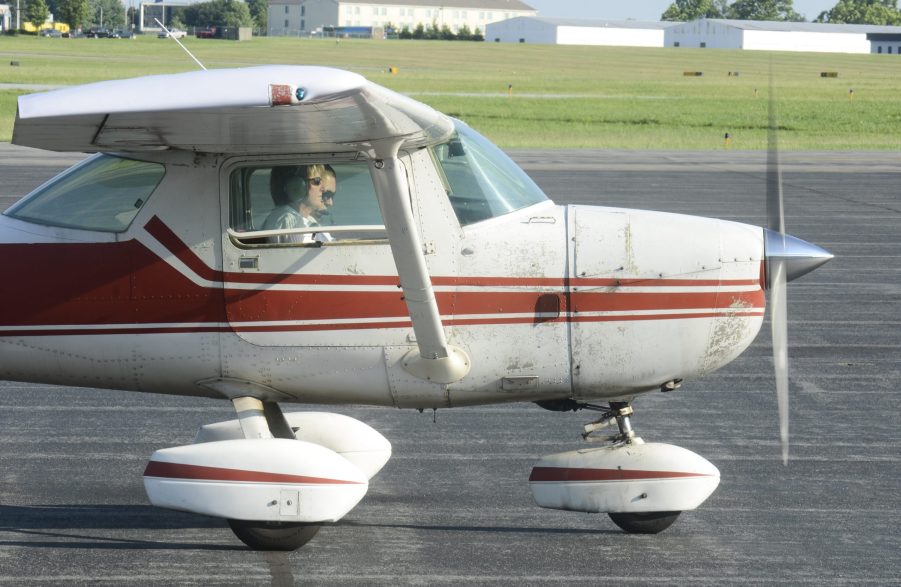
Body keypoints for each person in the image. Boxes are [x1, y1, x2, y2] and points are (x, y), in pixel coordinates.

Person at [262, 164, 337, 244]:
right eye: (317, 181)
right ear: (297, 185)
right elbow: (298, 254)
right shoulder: (289, 220)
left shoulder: (305, 219)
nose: (323, 189)